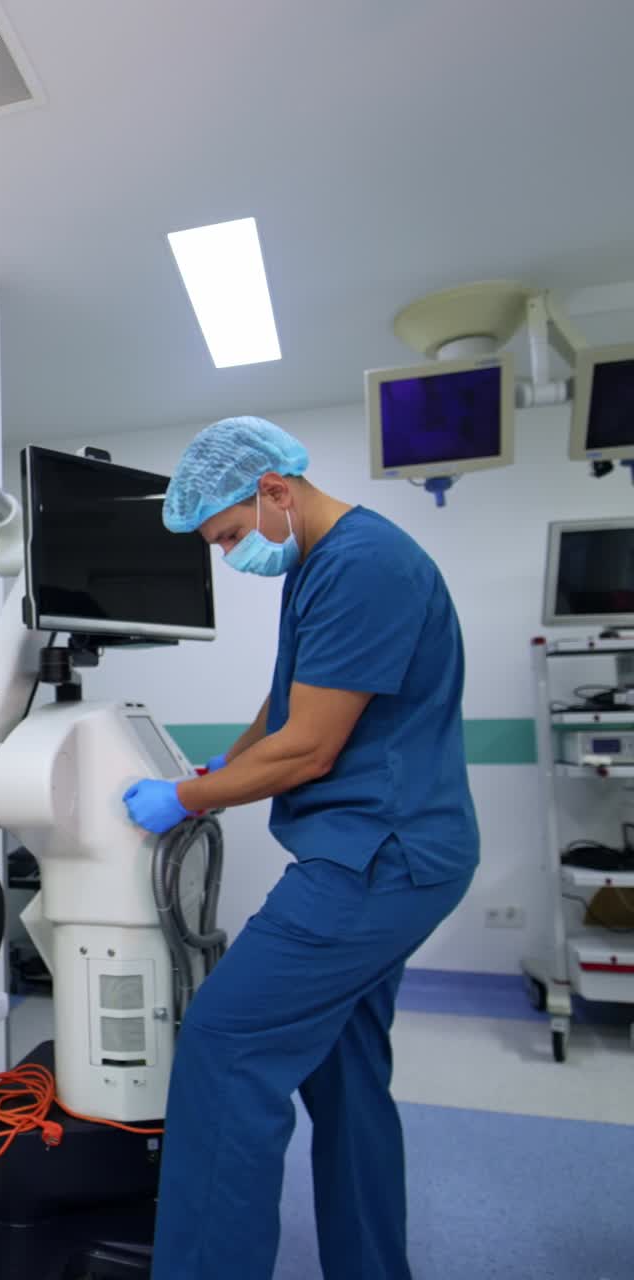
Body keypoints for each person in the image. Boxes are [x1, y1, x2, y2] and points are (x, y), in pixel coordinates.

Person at [123, 418, 478, 1280]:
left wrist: (183, 797)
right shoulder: (322, 565)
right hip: (390, 851)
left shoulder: (363, 566)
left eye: (232, 535)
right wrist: (222, 767)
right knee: (344, 1072)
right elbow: (285, 708)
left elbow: (311, 749)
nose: (230, 555)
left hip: (376, 860)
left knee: (223, 1046)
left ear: (274, 490)